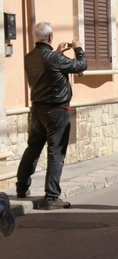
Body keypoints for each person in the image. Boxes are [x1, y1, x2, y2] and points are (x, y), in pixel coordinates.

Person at [16, 22, 87, 210]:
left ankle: (22, 188)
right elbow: (81, 65)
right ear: (50, 37)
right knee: (56, 153)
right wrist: (79, 49)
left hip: (37, 109)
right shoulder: (54, 58)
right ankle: (52, 197)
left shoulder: (29, 57)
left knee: (32, 149)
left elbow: (49, 68)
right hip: (57, 111)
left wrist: (57, 52)